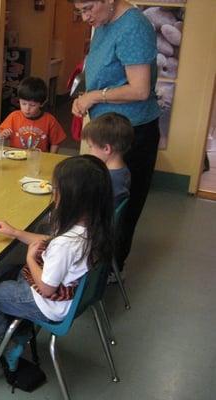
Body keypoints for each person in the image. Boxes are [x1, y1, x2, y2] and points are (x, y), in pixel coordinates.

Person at [0, 155, 114, 371]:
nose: (54, 194)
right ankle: (21, 331)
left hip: (51, 306)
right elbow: (50, 243)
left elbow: (45, 287)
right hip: (71, 297)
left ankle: (6, 348)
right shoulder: (93, 225)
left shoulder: (65, 244)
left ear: (72, 198)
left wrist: (30, 259)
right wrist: (14, 232)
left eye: (56, 190)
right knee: (10, 273)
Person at [70, 0, 161, 272]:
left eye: (88, 8)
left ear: (109, 0)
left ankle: (107, 271)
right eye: (80, 11)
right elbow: (102, 72)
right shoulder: (104, 22)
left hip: (131, 133)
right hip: (106, 128)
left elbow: (140, 89)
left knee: (121, 206)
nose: (85, 16)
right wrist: (83, 96)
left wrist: (95, 96)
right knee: (101, 200)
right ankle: (92, 262)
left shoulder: (133, 26)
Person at [0, 77, 66, 152]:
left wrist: (52, 157)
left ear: (42, 103)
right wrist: (3, 135)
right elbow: (1, 135)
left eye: (32, 105)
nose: (27, 108)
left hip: (39, 158)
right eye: (23, 103)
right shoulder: (14, 116)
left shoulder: (50, 120)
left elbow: (56, 142)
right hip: (16, 156)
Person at [82, 112, 134, 207]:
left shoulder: (108, 180)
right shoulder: (123, 170)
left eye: (90, 146)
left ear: (106, 149)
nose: (89, 151)